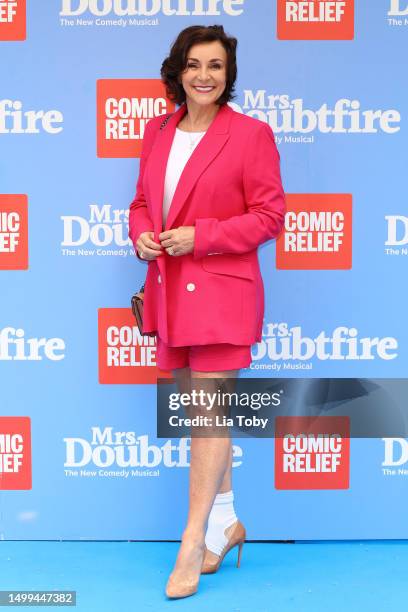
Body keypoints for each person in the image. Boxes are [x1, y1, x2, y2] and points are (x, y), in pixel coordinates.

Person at [128, 24, 286, 599]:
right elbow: (143, 202)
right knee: (202, 416)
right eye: (195, 65)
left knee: (206, 417)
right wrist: (144, 235)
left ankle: (192, 540)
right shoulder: (158, 130)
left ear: (228, 75)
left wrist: (203, 236)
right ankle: (227, 522)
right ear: (178, 71)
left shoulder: (250, 135)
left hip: (222, 292)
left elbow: (270, 216)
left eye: (216, 66)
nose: (204, 76)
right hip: (169, 290)